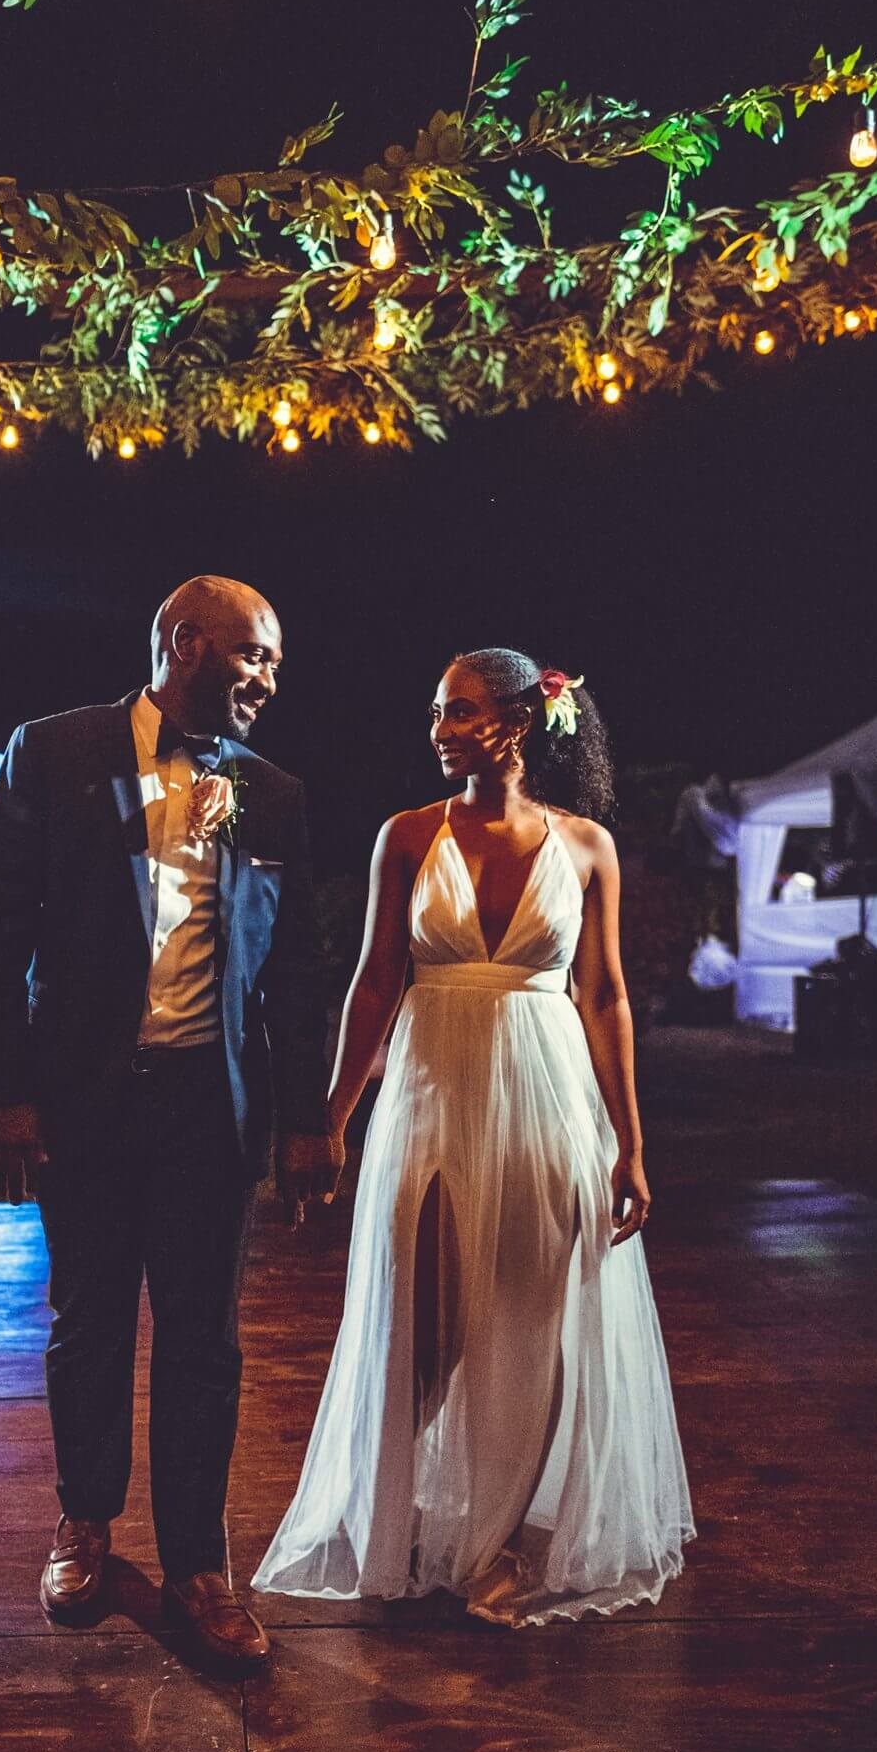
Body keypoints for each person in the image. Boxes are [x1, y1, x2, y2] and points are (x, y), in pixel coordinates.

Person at [253, 649, 696, 1627]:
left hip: (548, 1100)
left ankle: (507, 1545)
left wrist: (630, 1144)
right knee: (424, 1320)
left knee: (536, 1325)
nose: (438, 728)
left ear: (517, 722)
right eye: (435, 712)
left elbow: (605, 995)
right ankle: (395, 1508)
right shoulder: (409, 834)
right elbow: (376, 979)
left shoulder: (587, 846)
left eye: (458, 711)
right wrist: (332, 1115)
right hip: (430, 1096)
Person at [0, 575, 336, 1677]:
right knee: (87, 1319)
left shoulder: (269, 791)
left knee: (203, 1337)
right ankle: (84, 1524)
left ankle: (199, 1566)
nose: (269, 679)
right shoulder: (52, 751)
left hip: (209, 1106)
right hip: (83, 1096)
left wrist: (305, 1119)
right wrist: (2, 1091)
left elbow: (295, 969)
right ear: (185, 640)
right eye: (255, 654)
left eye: (275, 662)